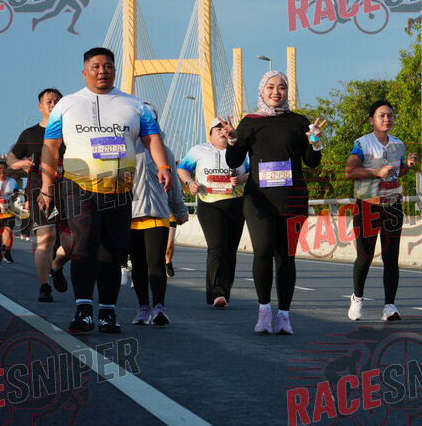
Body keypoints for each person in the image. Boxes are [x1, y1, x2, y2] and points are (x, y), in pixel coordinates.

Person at [39, 47, 172, 333]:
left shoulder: (134, 105)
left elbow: (152, 138)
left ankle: (108, 313)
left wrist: (163, 167)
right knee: (84, 246)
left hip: (120, 188)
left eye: (108, 66)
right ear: (84, 71)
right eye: (96, 66)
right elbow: (50, 146)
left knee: (113, 251)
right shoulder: (67, 105)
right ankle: (83, 310)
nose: (102, 71)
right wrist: (47, 185)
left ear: (115, 69)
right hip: (78, 186)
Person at [223, 70, 326, 334]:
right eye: (270, 87)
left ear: (287, 91)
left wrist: (314, 142)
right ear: (261, 90)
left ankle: (284, 315)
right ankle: (264, 311)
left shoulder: (299, 122)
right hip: (259, 200)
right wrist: (233, 140)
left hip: (292, 200)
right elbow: (234, 161)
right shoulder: (250, 122)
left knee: (286, 257)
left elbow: (312, 163)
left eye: (282, 87)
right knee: (263, 251)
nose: (276, 92)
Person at [344, 100, 418, 322]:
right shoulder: (362, 143)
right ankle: (357, 299)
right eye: (382, 116)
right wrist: (376, 173)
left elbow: (395, 172)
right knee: (365, 256)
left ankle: (389, 306)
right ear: (371, 120)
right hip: (368, 204)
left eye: (390, 115)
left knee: (391, 257)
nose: (387, 119)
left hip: (392, 204)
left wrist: (407, 167)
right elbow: (350, 172)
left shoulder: (398, 144)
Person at [178, 117, 249, 308]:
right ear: (210, 134)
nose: (222, 131)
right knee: (217, 246)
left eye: (225, 128)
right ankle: (216, 292)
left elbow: (254, 172)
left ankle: (225, 292)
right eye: (217, 129)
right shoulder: (199, 150)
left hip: (236, 203)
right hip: (209, 204)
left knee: (230, 250)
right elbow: (182, 169)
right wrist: (189, 183)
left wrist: (242, 178)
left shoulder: (242, 151)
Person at [8, 88, 71, 302]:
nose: (53, 105)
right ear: (40, 106)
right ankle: (45, 287)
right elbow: (11, 159)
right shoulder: (30, 134)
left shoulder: (72, 131)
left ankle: (56, 265)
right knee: (45, 239)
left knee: (72, 244)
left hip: (70, 192)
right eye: (49, 101)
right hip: (41, 194)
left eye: (57, 101)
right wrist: (21, 163)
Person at [128, 103, 188, 325]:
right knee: (138, 264)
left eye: (150, 121)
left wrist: (180, 210)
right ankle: (143, 308)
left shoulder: (165, 152)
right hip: (131, 216)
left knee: (156, 262)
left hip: (158, 215)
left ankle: (159, 308)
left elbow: (174, 185)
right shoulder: (125, 149)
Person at [0, 160, 18, 264]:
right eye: (0, 168)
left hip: (9, 211)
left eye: (4, 168)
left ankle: (7, 253)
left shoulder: (12, 181)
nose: (2, 170)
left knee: (8, 232)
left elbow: (16, 193)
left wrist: (12, 198)